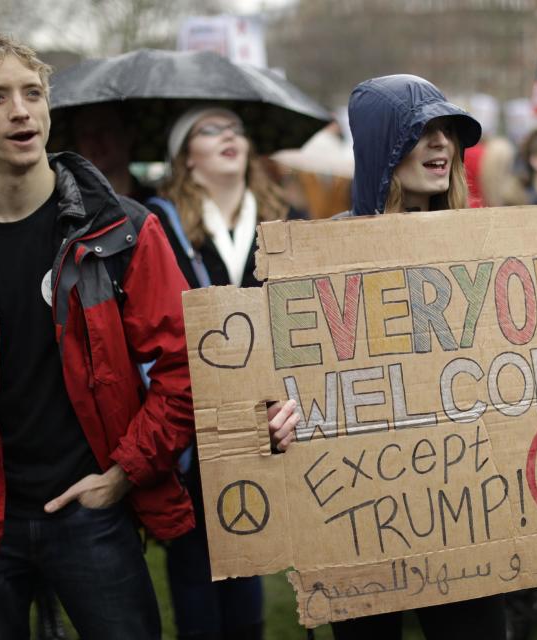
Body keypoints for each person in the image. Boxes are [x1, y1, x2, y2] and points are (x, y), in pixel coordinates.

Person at [331, 72, 537, 640]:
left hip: (465, 520)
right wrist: (280, 416)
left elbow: (532, 364)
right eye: (421, 132)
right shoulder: (321, 262)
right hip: (366, 512)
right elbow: (287, 390)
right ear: (381, 144)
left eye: (449, 131)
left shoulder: (490, 251)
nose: (442, 144)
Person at [0, 34, 194, 638]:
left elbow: (188, 365)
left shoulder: (121, 228)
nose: (21, 110)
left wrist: (124, 474)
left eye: (33, 94)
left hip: (91, 513)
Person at [148, 105, 301, 640]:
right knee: (195, 557)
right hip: (192, 415)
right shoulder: (159, 224)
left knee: (252, 542)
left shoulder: (285, 218)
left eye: (235, 129)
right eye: (209, 131)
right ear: (185, 159)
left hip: (270, 414)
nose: (228, 136)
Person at [71, 102, 156, 203]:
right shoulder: (70, 207)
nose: (93, 140)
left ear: (129, 134)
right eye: (84, 133)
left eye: (103, 129)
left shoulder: (157, 207)